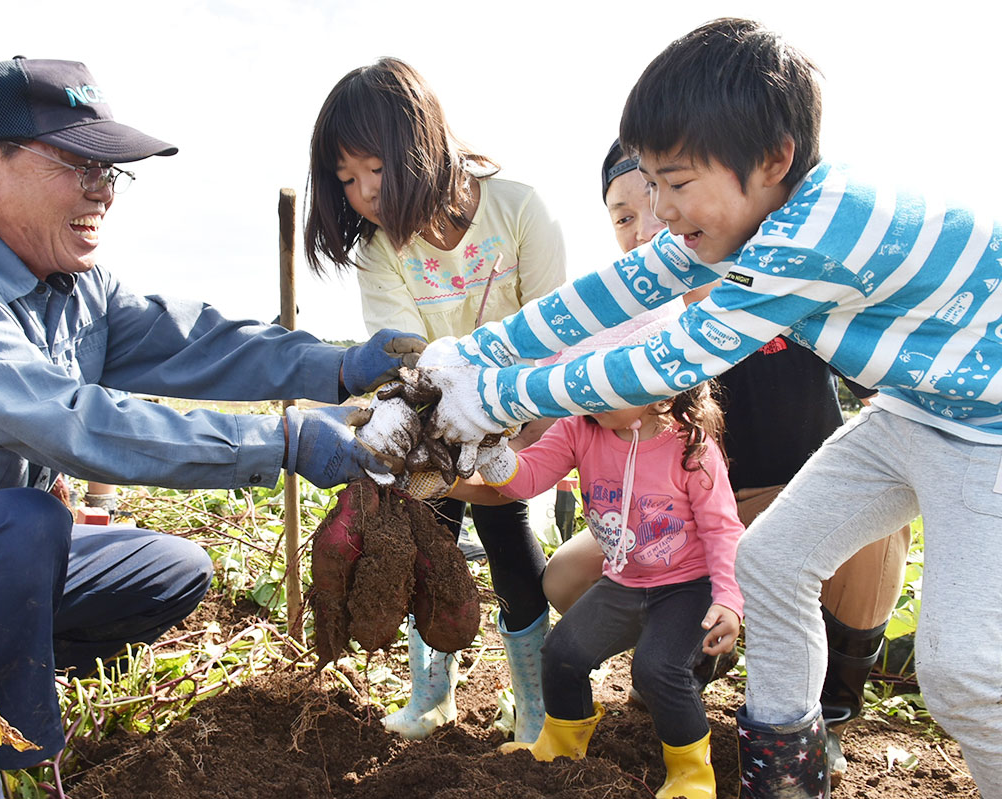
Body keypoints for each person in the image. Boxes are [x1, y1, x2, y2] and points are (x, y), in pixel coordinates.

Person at [411, 17, 1002, 797]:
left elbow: (668, 360)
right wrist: (469, 356)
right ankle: (787, 781)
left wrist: (484, 399)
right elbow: (609, 292)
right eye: (648, 186)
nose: (660, 208)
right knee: (773, 560)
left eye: (676, 182)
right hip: (916, 412)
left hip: (984, 429)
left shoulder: (812, 236)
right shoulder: (751, 223)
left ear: (773, 160)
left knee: (963, 670)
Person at [0, 56, 421, 799]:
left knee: (171, 569)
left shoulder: (77, 287)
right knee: (18, 521)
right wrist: (282, 444)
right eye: (77, 163)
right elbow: (72, 423)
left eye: (111, 170)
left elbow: (199, 342)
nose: (102, 188)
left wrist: (337, 367)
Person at [599, 138, 911, 786]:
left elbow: (886, 389)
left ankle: (826, 717)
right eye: (621, 216)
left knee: (877, 530)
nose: (643, 227)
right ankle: (682, 667)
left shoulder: (779, 288)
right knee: (572, 574)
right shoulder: (632, 325)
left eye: (657, 199)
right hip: (704, 519)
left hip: (805, 498)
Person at [303, 57, 567, 743]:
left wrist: (521, 448)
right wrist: (431, 455)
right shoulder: (381, 252)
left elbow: (554, 334)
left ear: (417, 145)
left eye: (374, 170)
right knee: (426, 550)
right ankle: (431, 700)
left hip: (515, 425)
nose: (362, 193)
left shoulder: (517, 209)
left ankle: (537, 713)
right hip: (429, 429)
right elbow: (412, 363)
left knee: (512, 551)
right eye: (345, 180)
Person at [456, 305, 742, 799]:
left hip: (688, 585)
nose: (589, 396)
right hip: (625, 581)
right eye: (583, 383)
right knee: (563, 653)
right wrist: (489, 451)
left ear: (661, 391)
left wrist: (728, 600)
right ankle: (562, 747)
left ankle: (692, 776)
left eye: (606, 384)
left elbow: (722, 529)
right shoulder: (578, 428)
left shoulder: (691, 448)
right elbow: (525, 480)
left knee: (656, 669)